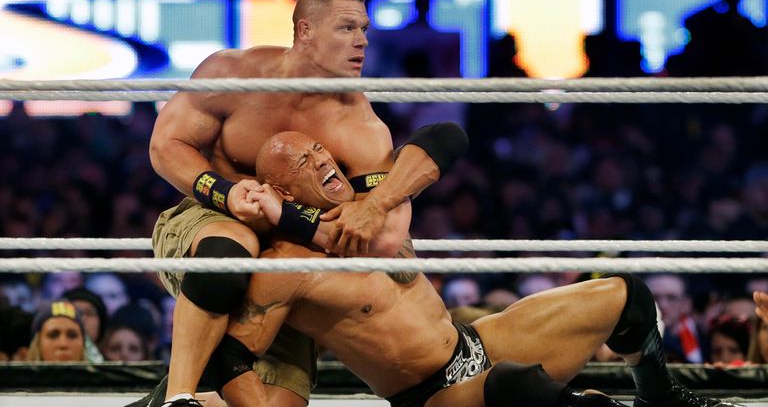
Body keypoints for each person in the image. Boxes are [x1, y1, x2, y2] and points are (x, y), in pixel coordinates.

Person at [213, 131, 742, 407]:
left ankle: (662, 397)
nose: (323, 160)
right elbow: (231, 356)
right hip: (431, 396)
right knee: (521, 389)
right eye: (304, 163)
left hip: (474, 343)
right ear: (281, 194)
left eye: (319, 149)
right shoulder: (287, 266)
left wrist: (378, 201)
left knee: (625, 293)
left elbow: (444, 139)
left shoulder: (373, 203)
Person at [145, 0, 467, 406]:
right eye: (347, 28)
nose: (362, 42)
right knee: (230, 248)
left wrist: (288, 217)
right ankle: (178, 397)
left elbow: (384, 239)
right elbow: (165, 145)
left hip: (295, 255)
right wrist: (225, 193)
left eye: (365, 30)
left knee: (277, 401)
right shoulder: (233, 74)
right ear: (305, 31)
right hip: (211, 217)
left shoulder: (360, 126)